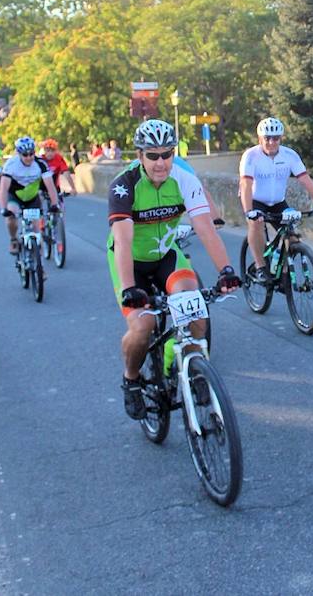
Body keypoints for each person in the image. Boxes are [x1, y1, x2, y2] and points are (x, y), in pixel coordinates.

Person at [107, 118, 240, 421]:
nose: (160, 162)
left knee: (195, 311)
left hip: (167, 255)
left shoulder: (183, 179)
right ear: (139, 156)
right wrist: (130, 289)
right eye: (152, 155)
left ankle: (187, 367)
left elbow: (205, 229)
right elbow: (124, 242)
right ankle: (130, 379)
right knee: (142, 328)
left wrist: (226, 270)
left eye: (167, 154)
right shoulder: (124, 185)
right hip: (131, 262)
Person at [239, 117, 313, 285]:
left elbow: (305, 180)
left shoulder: (289, 155)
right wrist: (248, 212)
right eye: (267, 138)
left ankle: (282, 267)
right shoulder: (251, 156)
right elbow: (245, 184)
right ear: (260, 138)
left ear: (281, 138)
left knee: (293, 238)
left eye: (276, 138)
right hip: (255, 201)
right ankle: (260, 267)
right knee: (256, 224)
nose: (272, 142)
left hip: (278, 202)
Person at [0, 136, 60, 254]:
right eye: (25, 155)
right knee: (11, 217)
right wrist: (3, 208)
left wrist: (54, 204)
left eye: (31, 154)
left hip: (32, 198)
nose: (29, 157)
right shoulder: (11, 165)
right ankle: (13, 239)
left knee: (37, 232)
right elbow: (3, 189)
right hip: (15, 196)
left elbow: (50, 186)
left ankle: (39, 266)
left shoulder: (40, 164)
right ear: (19, 154)